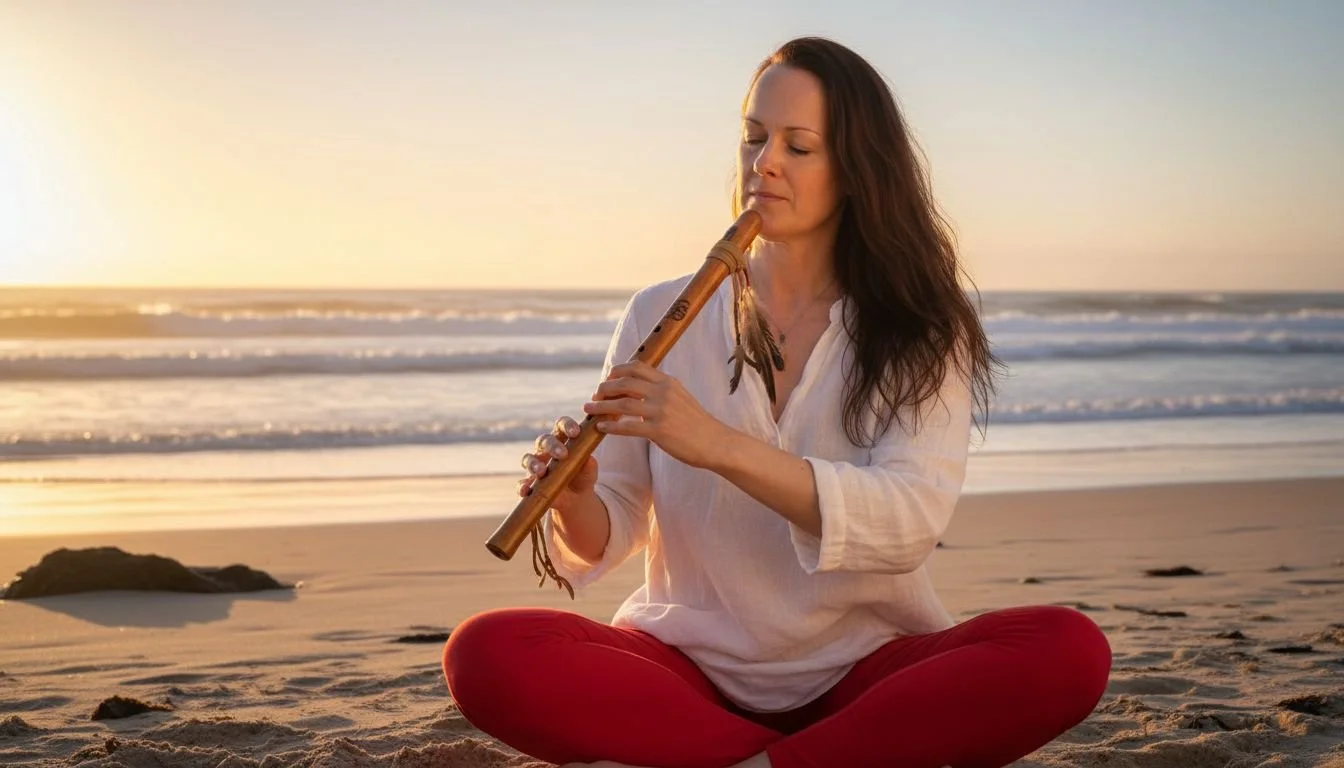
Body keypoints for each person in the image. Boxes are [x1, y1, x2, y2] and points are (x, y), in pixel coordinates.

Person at [443, 36, 1112, 768]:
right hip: (688, 668)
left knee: (1068, 651)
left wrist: (720, 446)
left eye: (799, 146)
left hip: (863, 671)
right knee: (485, 653)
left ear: (855, 169)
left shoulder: (920, 324)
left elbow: (907, 524)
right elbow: (617, 528)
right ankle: (818, 759)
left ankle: (746, 758)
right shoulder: (659, 311)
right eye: (754, 138)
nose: (764, 163)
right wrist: (575, 498)